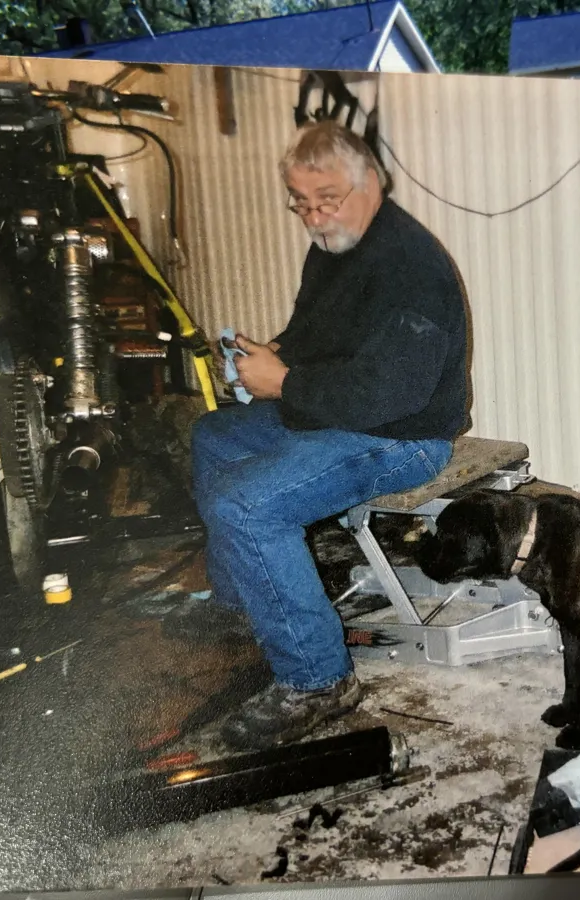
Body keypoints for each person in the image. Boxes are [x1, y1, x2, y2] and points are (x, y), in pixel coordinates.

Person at [184, 119, 471, 751]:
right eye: (302, 204)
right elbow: (317, 336)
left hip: (404, 437)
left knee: (247, 503)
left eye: (328, 201)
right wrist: (273, 353)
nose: (314, 218)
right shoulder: (335, 246)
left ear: (374, 183)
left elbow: (392, 394)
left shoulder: (409, 268)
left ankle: (317, 679)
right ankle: (242, 603)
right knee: (215, 437)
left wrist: (283, 382)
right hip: (342, 414)